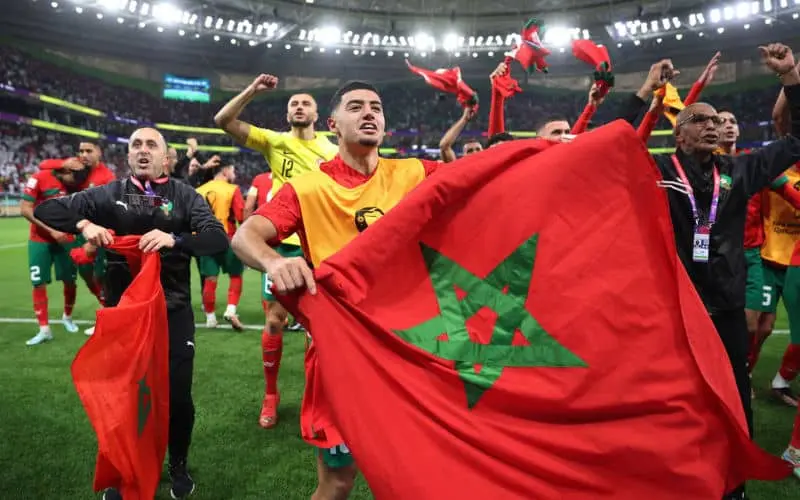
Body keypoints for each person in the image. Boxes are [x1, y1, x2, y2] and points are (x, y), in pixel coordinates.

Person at [231, 80, 441, 500]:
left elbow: (489, 178)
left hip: (410, 351)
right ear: (334, 125)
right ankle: (271, 397)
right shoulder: (309, 188)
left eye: (376, 107)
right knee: (338, 482)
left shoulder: (415, 172)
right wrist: (275, 261)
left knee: (418, 475)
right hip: (342, 358)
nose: (369, 113)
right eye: (356, 106)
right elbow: (245, 235)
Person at [617, 43, 800, 500]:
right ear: (679, 133)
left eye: (719, 120)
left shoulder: (739, 171)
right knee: (667, 397)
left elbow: (797, 142)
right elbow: (614, 139)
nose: (715, 125)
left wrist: (791, 77)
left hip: (723, 309)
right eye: (702, 118)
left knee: (734, 395)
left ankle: (733, 483)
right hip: (670, 309)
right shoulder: (656, 170)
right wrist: (646, 89)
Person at [33, 127, 229, 500]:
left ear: (165, 158)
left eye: (151, 145)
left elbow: (218, 237)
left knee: (178, 395)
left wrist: (177, 239)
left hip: (172, 309)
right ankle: (125, 469)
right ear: (128, 156)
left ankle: (178, 463)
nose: (143, 150)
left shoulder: (185, 196)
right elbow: (47, 209)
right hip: (124, 314)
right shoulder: (109, 194)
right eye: (136, 145)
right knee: (125, 396)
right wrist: (84, 224)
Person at [214, 73, 338, 429]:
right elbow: (223, 121)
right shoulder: (275, 142)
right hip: (281, 246)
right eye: (293, 104)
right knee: (274, 321)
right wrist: (252, 90)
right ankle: (271, 395)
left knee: (322, 328)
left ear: (318, 115)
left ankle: (319, 400)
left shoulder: (333, 149)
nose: (299, 107)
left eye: (305, 103)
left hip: (322, 244)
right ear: (288, 115)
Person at [20, 158, 87, 345]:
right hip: (39, 239)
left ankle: (67, 317)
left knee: (70, 280)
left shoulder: (75, 186)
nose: (73, 185)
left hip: (66, 239)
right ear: (66, 171)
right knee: (38, 282)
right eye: (72, 180)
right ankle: (44, 329)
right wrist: (52, 231)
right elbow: (25, 209)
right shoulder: (39, 177)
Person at [196, 163, 246, 330]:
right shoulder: (233, 189)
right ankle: (231, 310)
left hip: (205, 239)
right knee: (236, 275)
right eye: (233, 170)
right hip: (227, 237)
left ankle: (210, 318)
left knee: (210, 279)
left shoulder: (199, 190)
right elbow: (240, 215)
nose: (234, 173)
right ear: (225, 171)